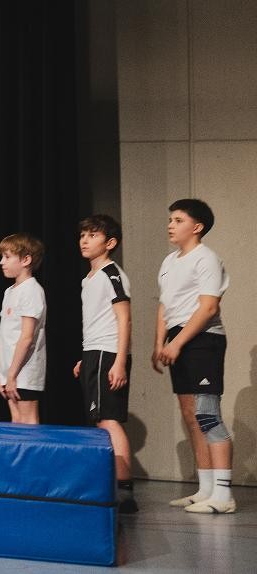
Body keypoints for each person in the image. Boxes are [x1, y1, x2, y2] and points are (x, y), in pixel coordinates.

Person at [152, 199, 235, 514]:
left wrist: (179, 342)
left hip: (203, 339)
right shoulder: (169, 261)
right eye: (170, 219)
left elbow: (209, 307)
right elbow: (165, 305)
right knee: (190, 416)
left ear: (197, 226)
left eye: (178, 219)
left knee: (207, 414)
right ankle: (205, 489)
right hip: (178, 339)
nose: (171, 224)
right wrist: (161, 342)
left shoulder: (207, 259)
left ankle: (224, 496)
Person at [73, 214, 137, 514]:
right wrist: (84, 358)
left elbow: (124, 319)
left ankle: (125, 493)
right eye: (83, 234)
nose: (85, 240)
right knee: (99, 420)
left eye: (93, 235)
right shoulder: (90, 277)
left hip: (108, 354)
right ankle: (109, 484)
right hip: (95, 353)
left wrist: (119, 361)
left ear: (109, 243)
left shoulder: (112, 273)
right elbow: (98, 322)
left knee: (109, 420)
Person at [0, 233, 46, 425]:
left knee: (28, 420)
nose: (2, 262)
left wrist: (12, 374)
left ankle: (33, 456)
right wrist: (0, 374)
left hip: (24, 372)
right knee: (16, 421)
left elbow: (26, 337)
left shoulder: (31, 290)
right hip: (9, 372)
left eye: (7, 257)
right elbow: (4, 335)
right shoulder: (10, 291)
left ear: (26, 260)